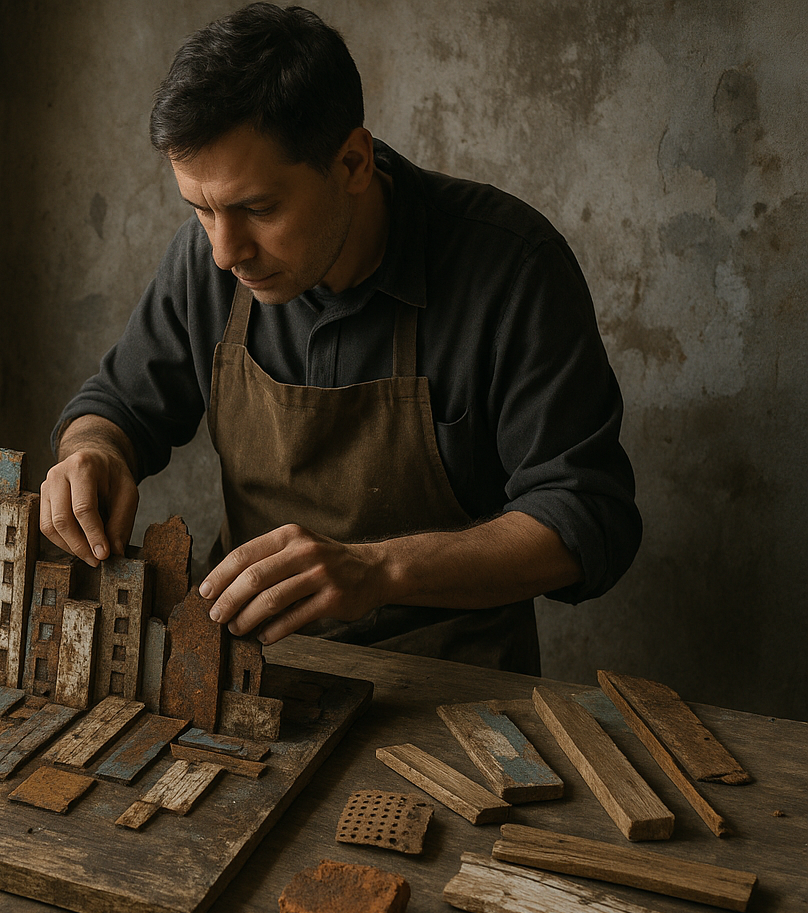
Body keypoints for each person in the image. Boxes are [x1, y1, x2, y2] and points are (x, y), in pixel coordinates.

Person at [39, 3, 641, 675]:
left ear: (352, 161)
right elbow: (117, 407)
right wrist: (92, 454)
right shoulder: (206, 260)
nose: (224, 253)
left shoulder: (512, 267)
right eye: (201, 210)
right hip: (251, 672)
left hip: (453, 687)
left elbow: (587, 518)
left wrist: (379, 570)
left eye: (258, 210)